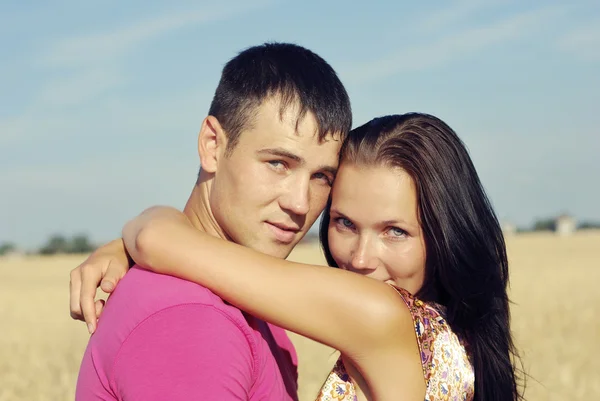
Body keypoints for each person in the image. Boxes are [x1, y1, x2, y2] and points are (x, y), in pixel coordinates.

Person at [74, 113, 524, 400]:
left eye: (395, 231)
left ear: (446, 236)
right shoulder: (452, 341)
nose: (362, 259)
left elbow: (156, 237)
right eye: (345, 223)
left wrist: (130, 238)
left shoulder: (381, 315)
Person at [70, 41, 352, 400]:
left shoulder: (244, 299)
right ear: (212, 145)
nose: (300, 203)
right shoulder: (191, 319)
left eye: (321, 177)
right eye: (278, 163)